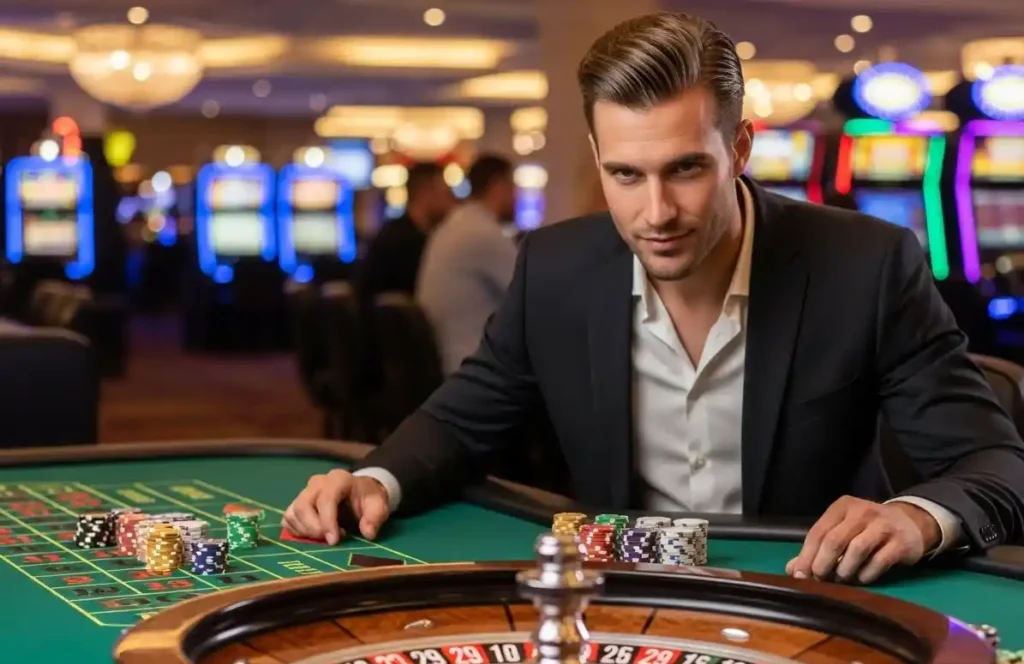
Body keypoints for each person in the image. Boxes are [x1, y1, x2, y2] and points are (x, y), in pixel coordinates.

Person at [285, 11, 1024, 585]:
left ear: (740, 148)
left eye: (686, 169)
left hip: (809, 595)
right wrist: (373, 478)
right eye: (627, 175)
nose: (656, 212)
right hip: (626, 600)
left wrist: (916, 518)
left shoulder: (866, 264)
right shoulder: (555, 269)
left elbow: (997, 465)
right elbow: (461, 420)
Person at [416, 154, 519, 375]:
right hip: (473, 369)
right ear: (498, 186)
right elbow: (539, 295)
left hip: (451, 364)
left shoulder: (451, 227)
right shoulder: (481, 233)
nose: (517, 196)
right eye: (513, 187)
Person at [353, 162, 454, 300]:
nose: (451, 202)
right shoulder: (410, 242)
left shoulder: (392, 231)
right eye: (446, 193)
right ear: (425, 193)